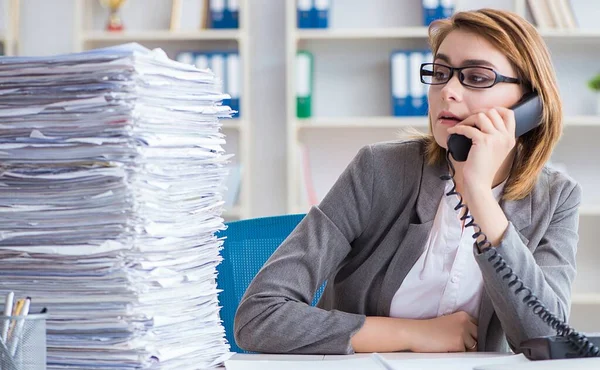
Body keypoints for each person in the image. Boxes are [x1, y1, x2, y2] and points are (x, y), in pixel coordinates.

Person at [234, 8, 580, 355]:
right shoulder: (379, 170)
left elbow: (547, 342)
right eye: (440, 73)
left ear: (530, 102)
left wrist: (478, 194)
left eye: (476, 77)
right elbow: (258, 317)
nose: (448, 91)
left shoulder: (556, 198)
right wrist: (412, 334)